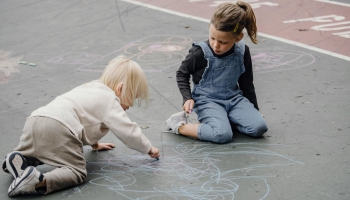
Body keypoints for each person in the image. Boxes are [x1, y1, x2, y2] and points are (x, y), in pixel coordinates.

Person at [2, 55, 160, 196]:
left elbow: (86, 117)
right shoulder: (111, 100)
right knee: (77, 172)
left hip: (36, 119)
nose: (130, 105)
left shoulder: (90, 87)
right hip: (60, 127)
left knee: (44, 151)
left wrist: (95, 144)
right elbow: (127, 131)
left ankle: (19, 158)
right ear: (120, 89)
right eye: (132, 98)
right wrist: (148, 148)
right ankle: (38, 181)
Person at [166, 2, 268, 143]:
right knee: (222, 135)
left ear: (237, 38)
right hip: (207, 101)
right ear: (210, 28)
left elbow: (247, 84)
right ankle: (179, 125)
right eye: (212, 38)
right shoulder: (200, 52)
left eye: (223, 42)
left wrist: (254, 110)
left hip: (234, 99)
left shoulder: (242, 51)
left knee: (259, 127)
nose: (215, 45)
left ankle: (225, 121)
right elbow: (182, 73)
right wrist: (187, 98)